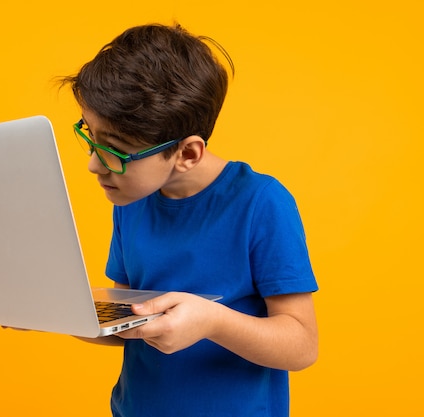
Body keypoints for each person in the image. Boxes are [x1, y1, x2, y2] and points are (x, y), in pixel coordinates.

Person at [59, 23, 319, 417]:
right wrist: (51, 311)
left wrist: (213, 322)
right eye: (89, 136)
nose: (94, 164)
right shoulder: (132, 198)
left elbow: (302, 346)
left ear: (188, 154)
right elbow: (127, 327)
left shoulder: (261, 203)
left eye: (115, 151)